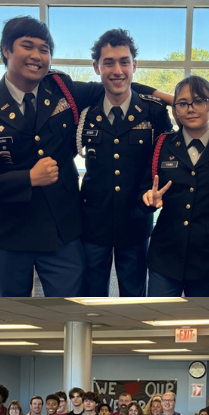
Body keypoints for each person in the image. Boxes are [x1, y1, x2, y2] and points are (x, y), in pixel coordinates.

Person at [0, 16, 156, 296]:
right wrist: (28, 179)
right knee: (12, 318)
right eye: (28, 46)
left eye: (45, 49)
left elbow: (117, 86)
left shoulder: (63, 90)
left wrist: (181, 104)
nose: (37, 56)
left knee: (71, 313)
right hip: (8, 231)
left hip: (62, 231)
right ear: (6, 49)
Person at [78, 28, 173, 297]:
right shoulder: (86, 112)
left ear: (135, 66)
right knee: (92, 295)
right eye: (108, 62)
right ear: (96, 68)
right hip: (93, 222)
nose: (117, 70)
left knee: (134, 296)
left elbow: (166, 157)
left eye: (124, 62)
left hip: (135, 219)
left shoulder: (153, 112)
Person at [142, 75, 209, 296]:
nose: (190, 109)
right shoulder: (162, 145)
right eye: (183, 103)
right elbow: (144, 191)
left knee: (202, 322)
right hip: (166, 249)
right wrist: (147, 201)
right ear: (175, 110)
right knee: (159, 320)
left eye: (199, 101)